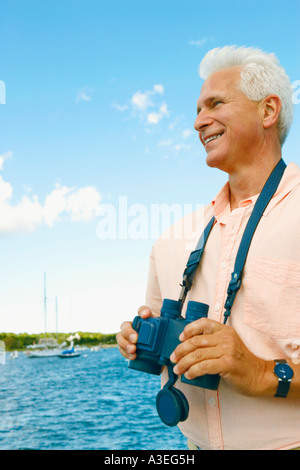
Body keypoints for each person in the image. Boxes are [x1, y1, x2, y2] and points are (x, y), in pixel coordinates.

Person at [116, 45, 300, 450]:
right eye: (197, 111)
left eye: (215, 104)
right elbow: (153, 345)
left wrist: (260, 372)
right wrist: (136, 337)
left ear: (268, 111)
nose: (199, 122)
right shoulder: (170, 239)